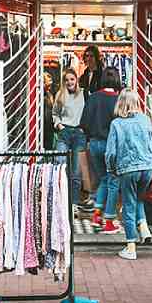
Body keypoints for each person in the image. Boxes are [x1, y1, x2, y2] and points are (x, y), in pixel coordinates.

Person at [105, 89, 152, 260]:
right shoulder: (145, 119)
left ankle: (131, 246)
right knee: (137, 198)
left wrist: (111, 170)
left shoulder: (117, 124)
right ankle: (143, 226)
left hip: (128, 168)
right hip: (147, 167)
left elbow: (111, 153)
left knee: (128, 204)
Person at [81, 67, 122, 233]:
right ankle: (109, 220)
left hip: (94, 144)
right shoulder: (118, 100)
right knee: (113, 181)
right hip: (111, 145)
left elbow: (83, 122)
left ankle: (97, 214)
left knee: (103, 179)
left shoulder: (93, 98)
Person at [53, 68, 86, 208]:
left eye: (72, 79)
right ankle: (60, 202)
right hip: (65, 132)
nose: (69, 82)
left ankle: (73, 203)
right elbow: (55, 113)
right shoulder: (60, 95)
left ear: (76, 80)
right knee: (59, 166)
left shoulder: (84, 93)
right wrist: (59, 125)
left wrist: (85, 127)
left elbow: (88, 112)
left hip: (79, 133)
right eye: (66, 80)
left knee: (77, 172)